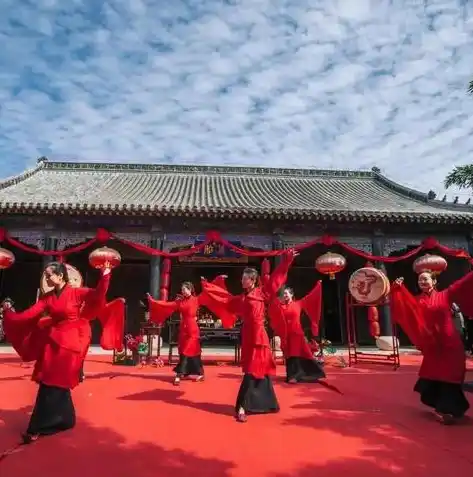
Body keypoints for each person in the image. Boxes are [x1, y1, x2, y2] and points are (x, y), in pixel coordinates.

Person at [1, 261, 112, 443]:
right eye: (45, 275)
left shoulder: (76, 292)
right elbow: (30, 314)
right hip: (53, 342)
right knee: (53, 383)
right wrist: (11, 315)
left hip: (71, 343)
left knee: (50, 385)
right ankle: (66, 420)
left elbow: (98, 294)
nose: (46, 278)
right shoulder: (48, 298)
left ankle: (35, 428)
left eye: (49, 274)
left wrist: (106, 274)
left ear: (60, 276)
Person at [200, 249, 297, 423]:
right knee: (254, 370)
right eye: (242, 277)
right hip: (248, 336)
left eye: (244, 278)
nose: (241, 280)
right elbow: (224, 300)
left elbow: (276, 279)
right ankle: (264, 404)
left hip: (260, 336)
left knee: (257, 370)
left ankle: (244, 406)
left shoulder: (262, 293)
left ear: (252, 280)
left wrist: (286, 261)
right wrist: (209, 286)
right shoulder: (241, 299)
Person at [390, 270, 473, 424]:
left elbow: (463, 284)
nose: (422, 282)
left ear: (434, 281)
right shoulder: (417, 301)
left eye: (426, 279)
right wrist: (398, 289)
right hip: (433, 347)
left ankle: (448, 409)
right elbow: (405, 308)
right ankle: (444, 408)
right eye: (420, 280)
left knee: (451, 375)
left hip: (450, 343)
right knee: (436, 375)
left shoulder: (446, 295)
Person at [147, 279, 235, 386]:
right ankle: (199, 372)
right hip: (183, 331)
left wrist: (211, 281)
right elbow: (166, 305)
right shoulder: (179, 302)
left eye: (185, 289)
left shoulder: (196, 299)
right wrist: (152, 301)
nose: (183, 291)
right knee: (192, 353)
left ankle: (179, 374)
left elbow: (210, 293)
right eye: (182, 289)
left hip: (192, 330)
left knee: (186, 351)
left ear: (190, 290)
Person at [269, 284, 325, 383]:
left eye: (286, 293)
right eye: (284, 294)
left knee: (295, 354)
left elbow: (310, 298)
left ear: (291, 294)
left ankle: (295, 376)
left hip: (296, 334)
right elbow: (273, 306)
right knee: (288, 355)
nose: (285, 295)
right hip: (286, 335)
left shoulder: (298, 304)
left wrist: (317, 287)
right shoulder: (281, 306)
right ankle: (290, 375)